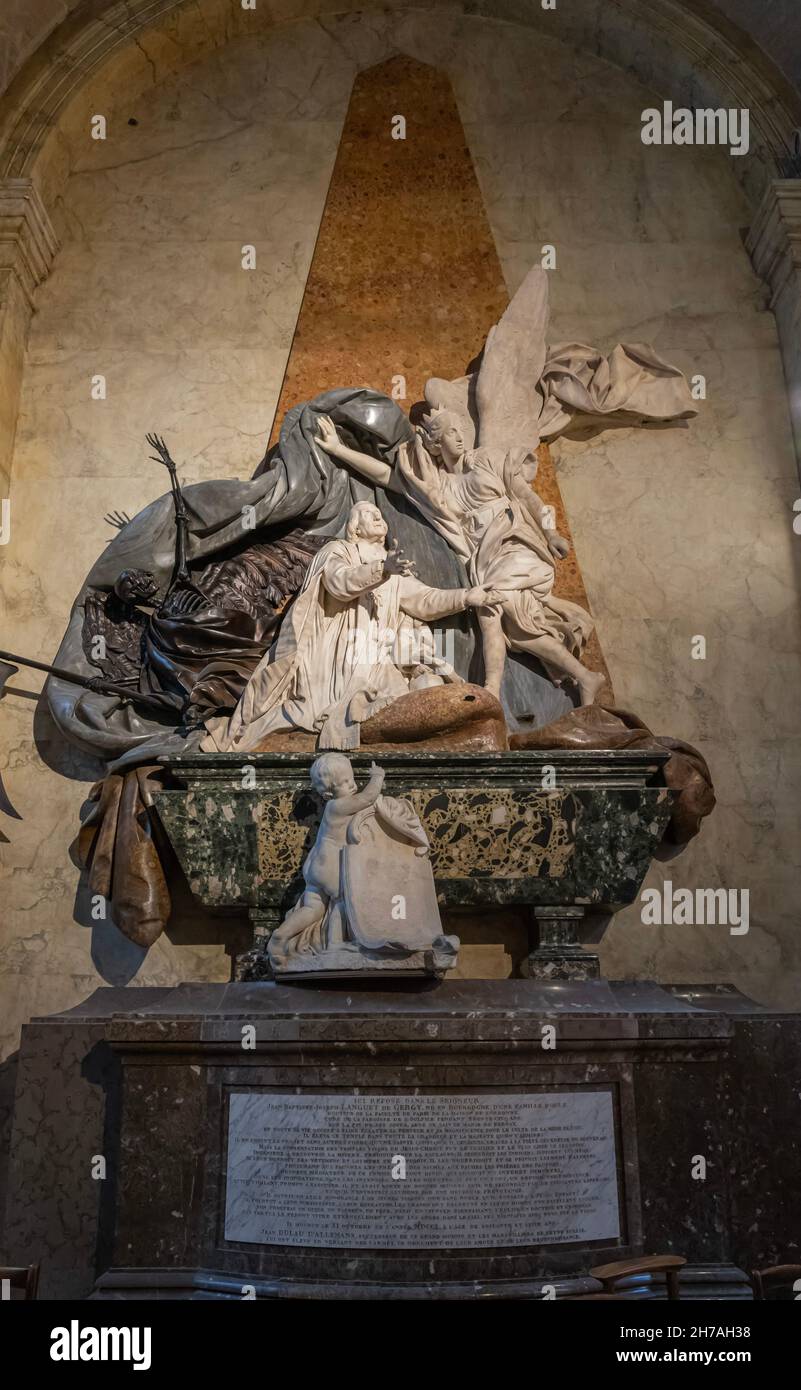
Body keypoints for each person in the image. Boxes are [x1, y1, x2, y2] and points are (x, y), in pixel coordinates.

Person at [314, 411, 604, 705]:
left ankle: (491, 691)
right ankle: (584, 676)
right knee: (515, 626)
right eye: (451, 433)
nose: (460, 437)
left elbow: (530, 498)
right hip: (485, 558)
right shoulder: (435, 485)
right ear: (436, 445)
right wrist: (338, 449)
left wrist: (551, 532)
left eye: (460, 430)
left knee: (491, 611)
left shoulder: (487, 460)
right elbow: (386, 476)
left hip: (514, 540)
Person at [202, 500, 500, 751]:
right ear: (355, 527)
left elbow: (423, 599)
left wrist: (467, 596)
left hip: (377, 653)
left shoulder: (392, 563)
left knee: (397, 700)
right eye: (370, 514)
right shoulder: (339, 551)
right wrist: (382, 569)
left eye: (380, 514)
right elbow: (338, 583)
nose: (378, 517)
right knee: (314, 710)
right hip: (338, 650)